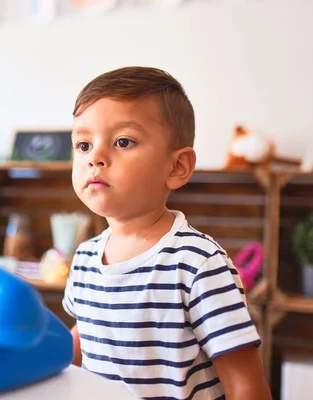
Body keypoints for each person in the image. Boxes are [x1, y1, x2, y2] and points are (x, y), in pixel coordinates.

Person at [62, 66, 272, 399]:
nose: (96, 158)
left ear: (177, 167)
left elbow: (245, 384)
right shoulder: (86, 257)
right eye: (83, 145)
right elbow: (85, 334)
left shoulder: (199, 264)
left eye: (123, 141)